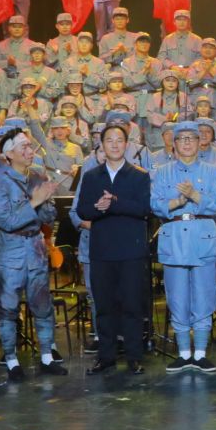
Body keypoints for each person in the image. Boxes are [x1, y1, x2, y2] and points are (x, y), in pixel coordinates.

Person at [75, 122, 152, 374]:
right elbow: (82, 210)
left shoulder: (139, 175)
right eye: (109, 140)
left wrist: (114, 203)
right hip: (102, 251)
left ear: (127, 144)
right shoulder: (91, 176)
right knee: (104, 306)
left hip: (131, 251)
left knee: (132, 305)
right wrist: (97, 207)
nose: (115, 145)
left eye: (119, 140)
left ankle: (134, 356)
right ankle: (106, 356)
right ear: (102, 145)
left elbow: (144, 209)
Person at [151, 122, 216, 374]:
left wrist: (195, 196)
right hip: (173, 237)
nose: (188, 142)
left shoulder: (213, 171)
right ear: (174, 144)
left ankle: (200, 354)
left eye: (192, 138)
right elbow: (154, 204)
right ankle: (183, 354)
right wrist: (177, 202)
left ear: (201, 142)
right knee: (177, 296)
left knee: (204, 294)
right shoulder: (162, 172)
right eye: (182, 138)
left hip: (203, 236)